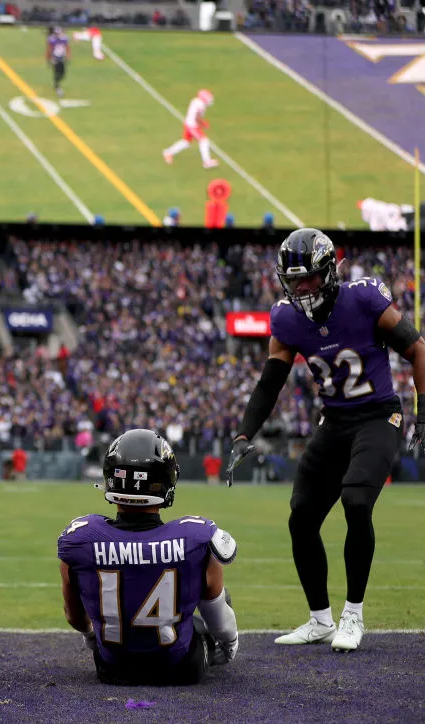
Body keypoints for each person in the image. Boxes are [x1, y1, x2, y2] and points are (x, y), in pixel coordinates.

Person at [226, 228, 424, 653]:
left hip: (377, 416)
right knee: (301, 516)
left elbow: (418, 350)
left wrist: (422, 412)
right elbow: (269, 383)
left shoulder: (364, 297)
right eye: (295, 280)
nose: (303, 287)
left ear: (329, 271)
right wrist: (245, 432)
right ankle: (320, 620)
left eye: (310, 278)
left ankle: (353, 614)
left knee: (356, 501)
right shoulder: (286, 318)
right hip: (334, 421)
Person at [58, 429, 239, 686]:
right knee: (213, 602)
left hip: (112, 670)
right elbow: (219, 620)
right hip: (180, 669)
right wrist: (230, 643)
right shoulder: (195, 536)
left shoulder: (79, 538)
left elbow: (75, 616)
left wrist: (92, 635)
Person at [162, 89, 219, 169]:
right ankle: (207, 162)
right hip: (193, 126)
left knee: (186, 142)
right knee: (204, 141)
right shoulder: (201, 106)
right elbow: (197, 117)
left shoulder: (195, 100)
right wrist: (202, 123)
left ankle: (168, 152)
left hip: (188, 123)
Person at [46, 26, 70, 98]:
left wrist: (68, 55)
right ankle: (57, 85)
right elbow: (49, 49)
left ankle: (57, 83)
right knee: (56, 72)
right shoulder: (52, 39)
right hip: (55, 58)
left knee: (63, 73)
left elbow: (67, 47)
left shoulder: (64, 38)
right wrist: (49, 59)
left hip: (62, 57)